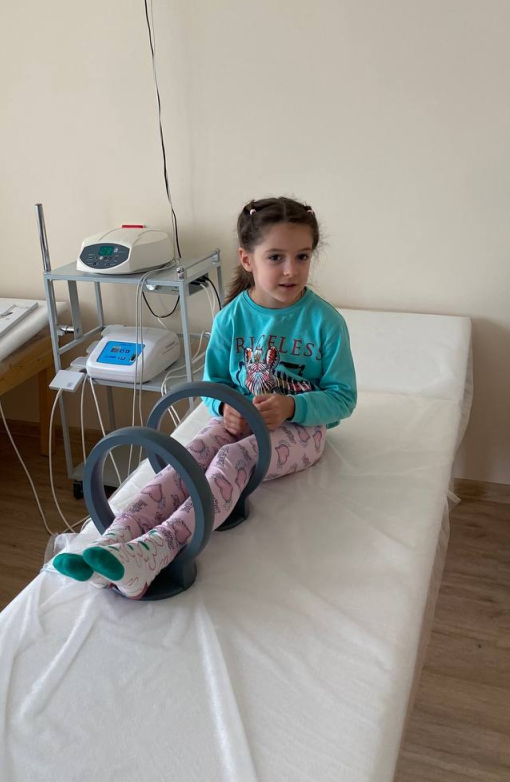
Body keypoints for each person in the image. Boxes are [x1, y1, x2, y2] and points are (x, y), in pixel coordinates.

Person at [52, 196, 357, 598]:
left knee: (233, 458)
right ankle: (112, 542)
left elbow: (343, 398)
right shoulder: (231, 318)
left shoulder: (325, 322)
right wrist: (224, 407)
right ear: (247, 260)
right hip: (240, 420)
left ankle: (157, 549)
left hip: (302, 430)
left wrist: (292, 406)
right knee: (187, 457)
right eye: (276, 257)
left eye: (302, 256)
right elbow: (215, 383)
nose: (291, 270)